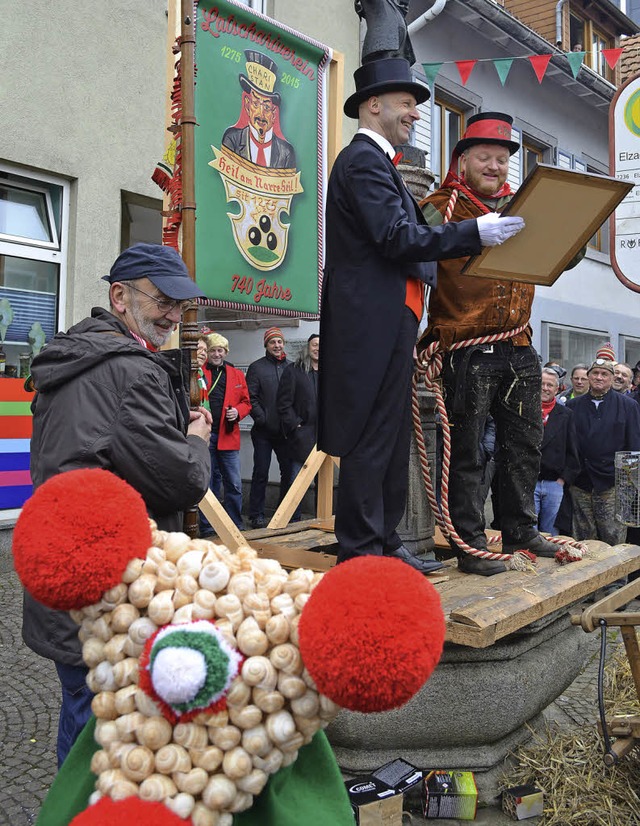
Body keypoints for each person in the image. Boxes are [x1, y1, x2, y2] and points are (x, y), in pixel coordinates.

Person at [318, 61, 524, 573]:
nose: (415, 113)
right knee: (371, 437)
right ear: (373, 105)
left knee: (387, 438)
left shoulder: (377, 163)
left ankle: (384, 542)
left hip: (389, 320)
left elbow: (404, 235)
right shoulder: (363, 161)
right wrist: (474, 233)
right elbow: (395, 237)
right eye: (406, 103)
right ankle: (363, 551)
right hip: (370, 322)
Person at [22, 243, 212, 766]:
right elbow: (183, 479)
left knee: (81, 713)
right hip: (105, 586)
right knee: (101, 741)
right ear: (120, 297)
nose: (174, 316)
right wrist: (196, 437)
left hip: (64, 572)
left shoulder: (73, 353)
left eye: (181, 305)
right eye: (163, 301)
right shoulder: (129, 371)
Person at [418, 112, 577, 576]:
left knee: (525, 445)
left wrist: (570, 238)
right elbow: (410, 245)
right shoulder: (439, 205)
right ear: (463, 159)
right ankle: (469, 542)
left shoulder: (524, 206)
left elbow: (559, 260)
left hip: (519, 344)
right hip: (466, 346)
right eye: (484, 157)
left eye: (502, 159)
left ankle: (520, 530)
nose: (494, 166)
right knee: (467, 450)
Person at [567, 357, 640, 546]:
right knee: (583, 539)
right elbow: (568, 444)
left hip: (612, 485)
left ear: (611, 378)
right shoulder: (573, 406)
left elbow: (633, 447)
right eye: (595, 373)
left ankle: (617, 577)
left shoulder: (628, 406)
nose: (599, 377)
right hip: (580, 483)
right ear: (589, 376)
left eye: (604, 374)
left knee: (614, 538)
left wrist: (629, 487)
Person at [199, 333, 251, 534]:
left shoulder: (236, 374)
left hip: (228, 436)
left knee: (235, 484)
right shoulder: (199, 372)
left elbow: (247, 402)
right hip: (206, 434)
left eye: (220, 350)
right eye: (212, 350)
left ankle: (234, 524)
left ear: (226, 352)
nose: (216, 354)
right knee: (208, 484)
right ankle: (207, 527)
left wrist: (238, 411)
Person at [246, 326, 293, 528]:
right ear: (266, 345)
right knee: (261, 473)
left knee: (289, 474)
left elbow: (299, 396)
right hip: (263, 432)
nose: (277, 345)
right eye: (272, 342)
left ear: (283, 344)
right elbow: (250, 397)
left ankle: (285, 514)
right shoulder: (257, 367)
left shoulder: (292, 367)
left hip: (286, 432)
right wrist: (262, 418)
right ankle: (256, 515)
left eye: (279, 342)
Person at [222, 50, 296, 169]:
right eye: (256, 104)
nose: (261, 114)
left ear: (273, 113)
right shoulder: (232, 139)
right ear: (247, 105)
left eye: (266, 107)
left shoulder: (286, 153)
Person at [535, 368, 581, 535]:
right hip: (528, 482)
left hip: (554, 483)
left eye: (550, 385)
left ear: (557, 389)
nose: (545, 388)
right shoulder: (523, 410)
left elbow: (573, 450)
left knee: (551, 533)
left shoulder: (566, 414)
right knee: (528, 532)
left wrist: (563, 479)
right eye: (542, 384)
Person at [278, 333, 320, 479]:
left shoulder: (330, 372)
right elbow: (283, 403)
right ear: (308, 348)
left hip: (323, 436)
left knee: (323, 483)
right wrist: (295, 424)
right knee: (296, 481)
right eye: (315, 345)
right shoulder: (294, 370)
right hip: (301, 436)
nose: (318, 348)